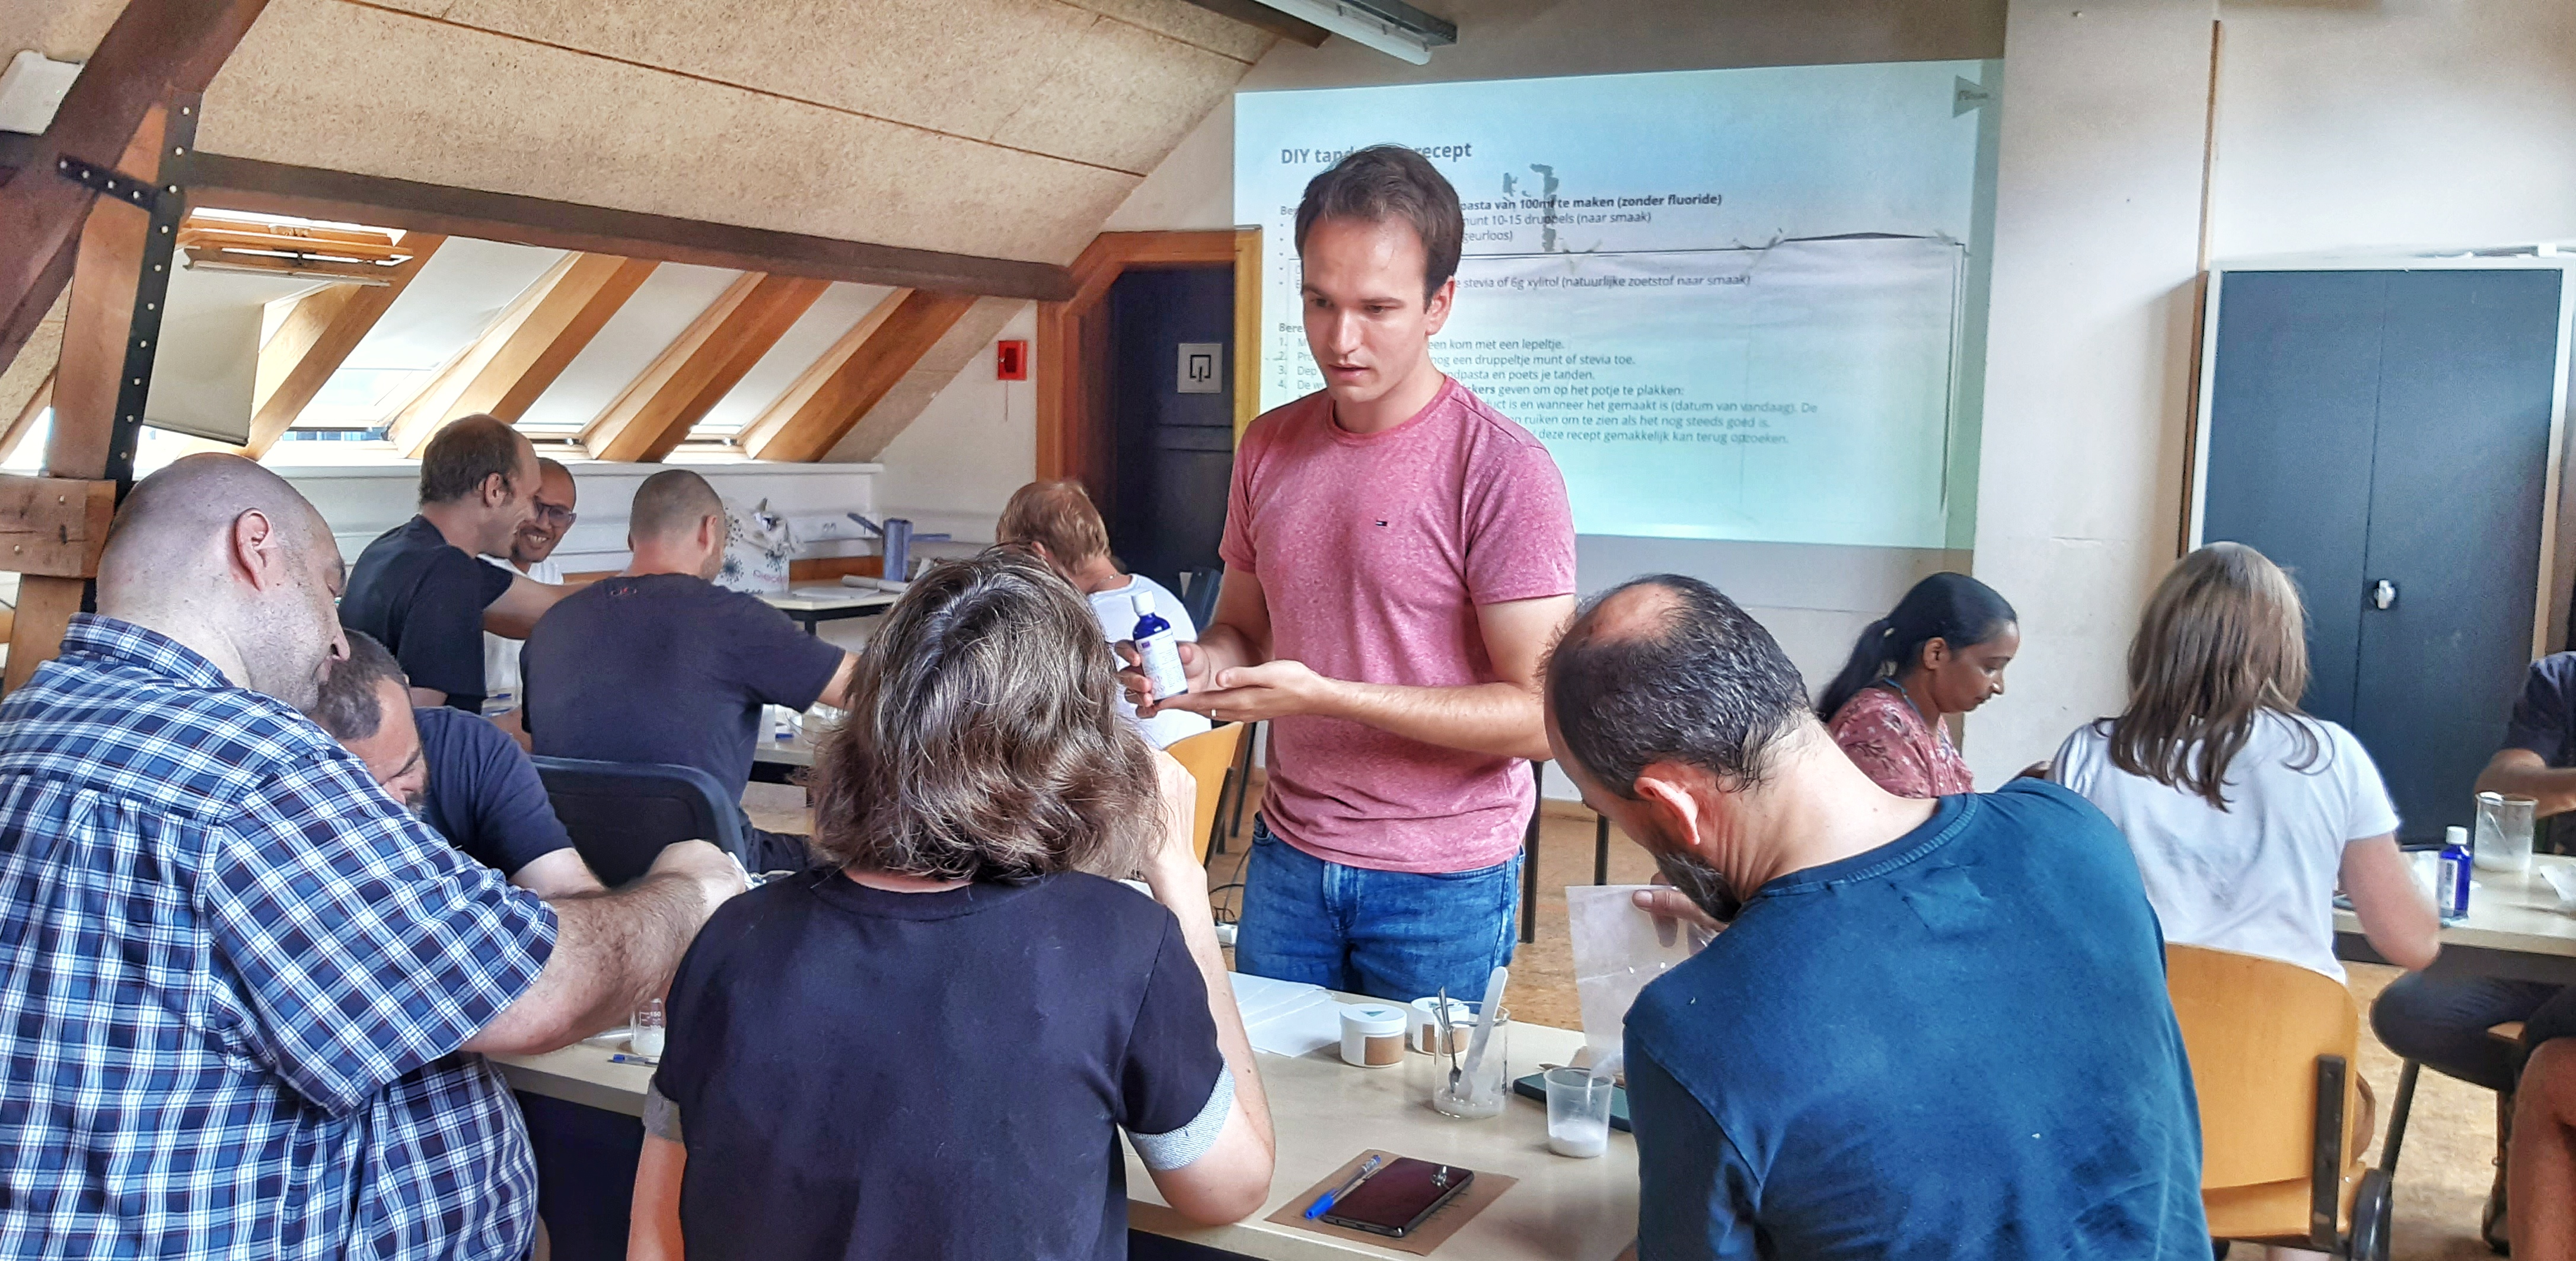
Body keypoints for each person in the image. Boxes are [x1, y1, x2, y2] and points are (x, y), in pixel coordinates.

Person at [0, 454, 745, 1256]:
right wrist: (690, 891)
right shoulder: (249, 769)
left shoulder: (27, 724)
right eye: (328, 588)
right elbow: (539, 991)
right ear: (256, 547)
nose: (334, 639)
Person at [629, 550, 1274, 1260]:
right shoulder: (1121, 944)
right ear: (1079, 746)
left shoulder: (731, 937)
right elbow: (1232, 1187)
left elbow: (655, 1239)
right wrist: (1179, 874)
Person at [1545, 574, 2208, 1260]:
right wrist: (1763, 949)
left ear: (1672, 803)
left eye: (1609, 811)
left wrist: (1746, 978)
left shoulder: (1694, 1028)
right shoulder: (2076, 834)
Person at [1122, 144, 1576, 1003]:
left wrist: (1327, 695)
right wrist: (1200, 666)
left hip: (1442, 876)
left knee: (1422, 1099)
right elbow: (1243, 627)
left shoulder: (1502, 467)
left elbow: (1543, 718)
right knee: (1267, 1084)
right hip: (1290, 854)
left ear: (1440, 303)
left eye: (1377, 308)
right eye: (1320, 301)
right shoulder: (1269, 444)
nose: (1340, 339)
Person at [2050, 543, 2438, 982]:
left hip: (2138, 1017)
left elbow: (2050, 912)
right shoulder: (2331, 755)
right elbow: (2413, 943)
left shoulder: (2089, 754)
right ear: (2283, 647)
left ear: (2155, 639)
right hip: (2290, 1023)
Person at [522, 469, 856, 875]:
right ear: (709, 531)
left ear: (631, 540)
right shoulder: (733, 620)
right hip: (705, 872)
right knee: (850, 862)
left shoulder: (553, 624)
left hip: (569, 869)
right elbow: (873, 690)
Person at [2371, 648, 2576, 1252]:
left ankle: (2530, 1163)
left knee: (2549, 1040)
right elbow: (2499, 783)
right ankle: (2532, 1139)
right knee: (2408, 1011)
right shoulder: (2560, 679)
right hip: (2547, 934)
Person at [310, 629, 603, 897]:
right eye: (362, 789)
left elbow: (564, 889)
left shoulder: (468, 747)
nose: (393, 804)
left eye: (406, 769)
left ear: (409, 701)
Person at [341, 415, 572, 713]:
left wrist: (632, 585)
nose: (531, 515)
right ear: (494, 489)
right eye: (529, 499)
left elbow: (547, 603)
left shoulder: (392, 548)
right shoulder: (449, 572)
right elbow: (421, 723)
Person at [998, 478, 1211, 749]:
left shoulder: (1079, 622)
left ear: (1037, 555)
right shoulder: (1158, 594)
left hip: (1142, 773)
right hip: (1202, 768)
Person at [1815, 571, 2017, 797]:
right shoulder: (1880, 721)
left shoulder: (1926, 718)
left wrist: (2018, 794)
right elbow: (1918, 821)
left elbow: (1949, 811)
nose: (1999, 687)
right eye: (1991, 668)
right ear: (1936, 654)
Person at [483, 456, 578, 722]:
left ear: (569, 523)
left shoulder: (550, 573)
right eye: (536, 506)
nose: (543, 523)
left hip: (528, 717)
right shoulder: (474, 567)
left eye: (557, 513)